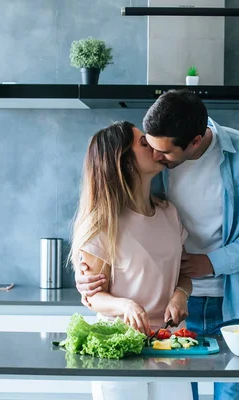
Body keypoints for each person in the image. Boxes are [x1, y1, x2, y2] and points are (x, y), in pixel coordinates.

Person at [75, 89, 239, 400]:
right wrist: (90, 282)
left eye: (163, 152)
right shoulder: (153, 161)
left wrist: (213, 262)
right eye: (147, 144)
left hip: (233, 300)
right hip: (168, 313)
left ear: (195, 142)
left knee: (232, 396)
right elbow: (118, 210)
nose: (154, 154)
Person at [69, 120, 193, 400]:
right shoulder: (103, 225)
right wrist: (125, 305)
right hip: (119, 349)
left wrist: (180, 294)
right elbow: (93, 297)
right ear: (123, 161)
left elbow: (183, 272)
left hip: (168, 345)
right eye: (143, 142)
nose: (154, 145)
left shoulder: (169, 213)